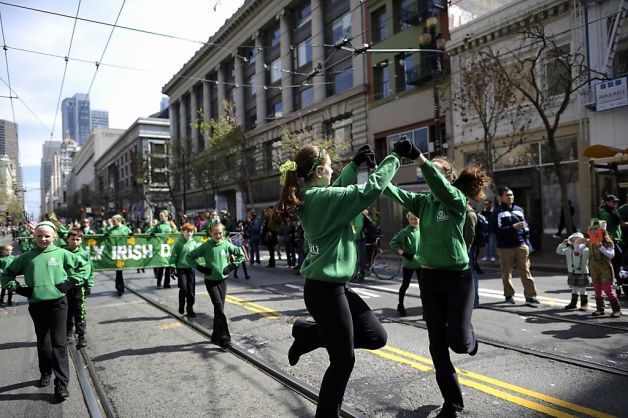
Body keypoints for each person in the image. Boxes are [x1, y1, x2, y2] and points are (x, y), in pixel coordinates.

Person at [272, 140, 408, 418]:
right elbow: (368, 190)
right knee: (343, 360)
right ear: (321, 170)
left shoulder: (312, 195)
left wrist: (353, 164)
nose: (334, 171)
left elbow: (334, 190)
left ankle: (310, 334)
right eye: (331, 167)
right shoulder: (321, 199)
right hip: (325, 292)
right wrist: (394, 157)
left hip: (332, 289)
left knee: (375, 336)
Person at [384, 151, 488, 418]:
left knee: (459, 343)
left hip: (458, 279)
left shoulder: (455, 199)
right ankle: (452, 402)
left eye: (436, 170)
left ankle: (469, 337)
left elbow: (438, 183)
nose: (429, 174)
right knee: (436, 345)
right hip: (429, 279)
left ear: (448, 178)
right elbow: (392, 190)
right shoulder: (423, 203)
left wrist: (419, 157)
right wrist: (378, 167)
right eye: (428, 170)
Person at [0, 221, 87, 402]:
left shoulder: (62, 253)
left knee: (59, 343)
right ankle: (45, 372)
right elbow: (6, 274)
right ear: (34, 236)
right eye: (39, 235)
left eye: (47, 236)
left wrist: (71, 282)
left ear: (54, 237)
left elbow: (84, 267)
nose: (43, 239)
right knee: (44, 343)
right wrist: (20, 289)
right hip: (37, 305)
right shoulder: (26, 256)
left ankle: (61, 384)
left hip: (58, 304)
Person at [187, 223, 244, 347]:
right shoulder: (206, 246)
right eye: (215, 233)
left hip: (222, 281)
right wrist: (201, 268)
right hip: (210, 282)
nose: (218, 235)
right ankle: (225, 338)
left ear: (223, 233)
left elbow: (241, 255)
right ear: (210, 233)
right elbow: (190, 257)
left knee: (219, 310)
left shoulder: (226, 244)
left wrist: (231, 267)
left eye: (220, 233)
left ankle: (215, 336)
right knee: (219, 307)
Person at [492, 187, 540, 306]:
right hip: (505, 247)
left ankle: (531, 296)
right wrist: (513, 227)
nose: (510, 197)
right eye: (507, 195)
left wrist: (526, 242)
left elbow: (526, 227)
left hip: (521, 245)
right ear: (501, 197)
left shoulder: (519, 210)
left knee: (526, 271)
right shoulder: (497, 212)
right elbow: (496, 230)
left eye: (511, 195)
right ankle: (509, 296)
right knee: (506, 272)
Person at [584, 219, 622, 317]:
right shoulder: (590, 242)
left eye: (595, 230)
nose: (593, 231)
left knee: (607, 289)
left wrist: (601, 247)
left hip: (605, 269)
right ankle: (600, 309)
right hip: (594, 269)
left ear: (602, 231)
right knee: (597, 289)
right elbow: (579, 248)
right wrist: (576, 242)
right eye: (592, 230)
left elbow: (611, 255)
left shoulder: (609, 243)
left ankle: (616, 309)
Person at [64, 228, 94, 348]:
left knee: (79, 311)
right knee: (67, 310)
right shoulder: (63, 252)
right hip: (65, 286)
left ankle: (81, 335)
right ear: (68, 239)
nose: (75, 242)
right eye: (72, 239)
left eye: (78, 239)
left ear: (81, 240)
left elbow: (90, 270)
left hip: (79, 286)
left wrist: (89, 284)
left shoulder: (84, 254)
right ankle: (68, 332)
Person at [389, 212, 421, 317]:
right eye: (411, 219)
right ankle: (400, 305)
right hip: (409, 263)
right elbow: (393, 243)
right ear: (408, 220)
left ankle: (426, 308)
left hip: (422, 263)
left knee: (424, 287)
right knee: (405, 285)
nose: (414, 221)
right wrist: (404, 253)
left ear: (419, 219)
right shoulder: (405, 232)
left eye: (416, 219)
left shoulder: (423, 230)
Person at [170, 223, 201, 317]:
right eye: (187, 231)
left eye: (191, 232)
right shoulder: (178, 243)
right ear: (183, 232)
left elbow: (197, 255)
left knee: (191, 291)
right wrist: (172, 267)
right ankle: (181, 304)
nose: (189, 233)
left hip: (190, 269)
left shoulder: (194, 243)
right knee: (184, 289)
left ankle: (190, 309)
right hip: (181, 269)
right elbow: (174, 256)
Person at [555, 232, 590, 311]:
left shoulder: (585, 250)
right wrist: (563, 244)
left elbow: (590, 248)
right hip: (572, 272)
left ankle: (584, 304)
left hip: (582, 272)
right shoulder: (568, 250)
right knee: (574, 288)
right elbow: (559, 251)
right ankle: (573, 303)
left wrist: (586, 243)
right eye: (573, 241)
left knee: (582, 289)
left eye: (578, 241)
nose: (575, 243)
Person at [599, 195, 623, 283]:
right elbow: (604, 227)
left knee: (617, 258)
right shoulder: (605, 213)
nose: (616, 203)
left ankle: (615, 279)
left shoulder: (613, 210)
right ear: (607, 202)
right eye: (614, 202)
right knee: (618, 258)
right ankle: (616, 279)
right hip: (610, 239)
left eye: (617, 201)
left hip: (617, 238)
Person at [107, 214, 132, 296]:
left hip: (124, 251)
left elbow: (131, 236)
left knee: (121, 269)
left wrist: (132, 235)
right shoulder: (111, 229)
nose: (113, 223)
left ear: (119, 220)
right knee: (118, 270)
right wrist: (106, 235)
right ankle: (120, 287)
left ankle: (120, 287)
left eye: (114, 221)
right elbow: (106, 236)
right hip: (115, 251)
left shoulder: (125, 229)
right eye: (112, 221)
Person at [150, 210, 174, 288]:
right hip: (161, 247)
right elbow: (152, 232)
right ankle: (159, 282)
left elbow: (176, 233)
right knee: (161, 266)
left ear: (166, 216)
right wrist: (153, 233)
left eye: (162, 216)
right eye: (160, 216)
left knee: (168, 266)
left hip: (169, 247)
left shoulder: (171, 225)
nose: (160, 217)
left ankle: (167, 283)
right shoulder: (158, 225)